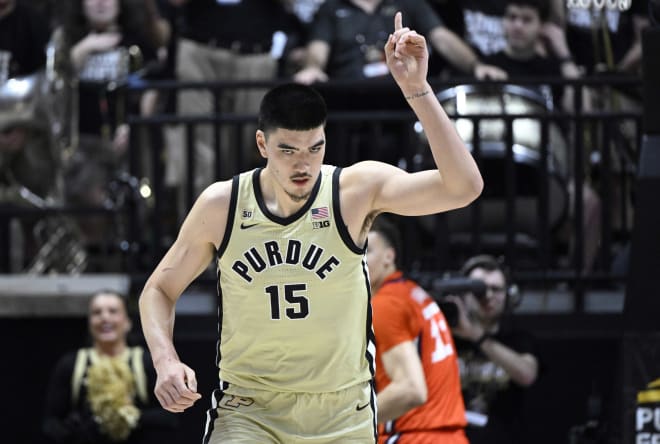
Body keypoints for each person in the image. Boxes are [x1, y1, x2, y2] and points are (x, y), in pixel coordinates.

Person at [138, 11, 483, 443]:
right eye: (288, 150)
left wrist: (418, 90)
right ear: (262, 144)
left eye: (314, 148)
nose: (303, 164)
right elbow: (159, 290)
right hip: (250, 408)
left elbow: (464, 186)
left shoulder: (353, 191)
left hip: (341, 411)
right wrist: (165, 359)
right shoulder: (222, 204)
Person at [368, 216, 468, 443]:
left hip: (415, 435)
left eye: (367, 251)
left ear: (389, 256)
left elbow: (411, 389)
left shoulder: (385, 304)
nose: (359, 260)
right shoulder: (414, 293)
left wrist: (344, 422)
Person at [42, 290, 178, 444]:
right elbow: (51, 422)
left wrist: (132, 417)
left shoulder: (146, 362)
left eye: (113, 311)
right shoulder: (71, 364)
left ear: (127, 322)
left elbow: (170, 417)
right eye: (97, 312)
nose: (105, 318)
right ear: (89, 322)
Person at [444, 254, 539, 444]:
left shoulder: (518, 340)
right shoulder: (443, 336)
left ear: (509, 295)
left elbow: (527, 374)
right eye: (479, 290)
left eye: (496, 289)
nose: (488, 296)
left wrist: (476, 335)